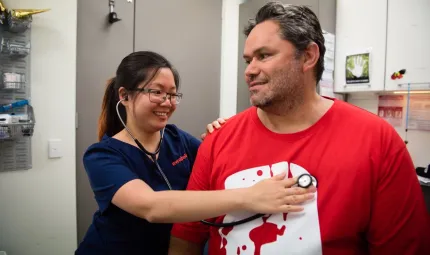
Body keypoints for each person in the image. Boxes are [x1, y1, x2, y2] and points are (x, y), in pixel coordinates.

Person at [169, 2, 430, 255]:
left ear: (308, 56)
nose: (249, 71)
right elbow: (187, 237)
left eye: (264, 56)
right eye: (248, 60)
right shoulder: (219, 139)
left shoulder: (376, 140)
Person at [75, 51, 316, 255]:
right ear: (125, 96)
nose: (167, 102)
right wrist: (250, 196)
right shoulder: (102, 156)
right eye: (157, 92)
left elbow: (220, 167)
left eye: (172, 94)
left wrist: (222, 135)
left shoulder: (177, 139)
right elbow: (151, 207)